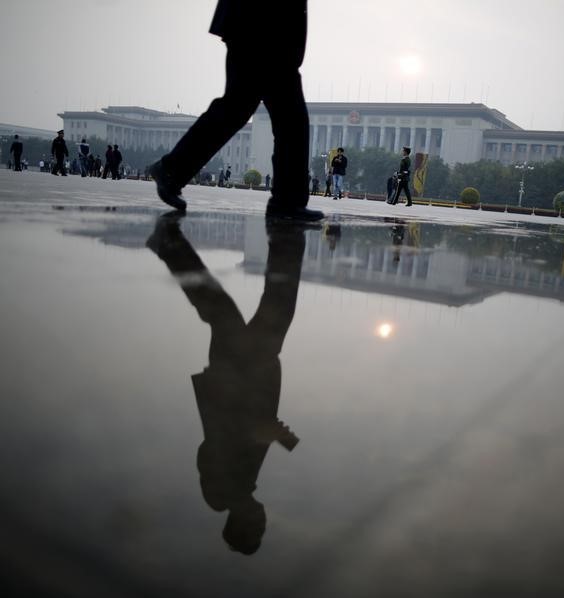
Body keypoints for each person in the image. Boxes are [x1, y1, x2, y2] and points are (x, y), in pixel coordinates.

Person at [147, 212, 305, 555]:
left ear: (242, 524)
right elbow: (245, 433)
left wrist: (265, 429)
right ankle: (170, 246)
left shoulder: (222, 495)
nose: (263, 522)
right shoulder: (242, 487)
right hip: (251, 373)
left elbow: (217, 444)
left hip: (237, 375)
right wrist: (275, 433)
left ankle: (285, 235)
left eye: (256, 529)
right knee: (231, 308)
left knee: (230, 307)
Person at [148, 0, 323, 222]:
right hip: (260, 23)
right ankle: (287, 201)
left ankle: (172, 169)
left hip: (265, 28)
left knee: (258, 111)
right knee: (272, 114)